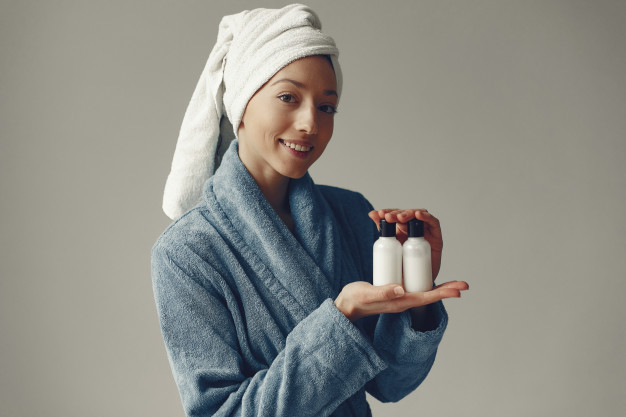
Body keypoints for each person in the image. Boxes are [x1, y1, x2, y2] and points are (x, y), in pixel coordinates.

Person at [151, 4, 468, 416]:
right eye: (288, 97)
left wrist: (416, 290)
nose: (309, 123)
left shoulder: (353, 214)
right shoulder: (186, 253)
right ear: (243, 100)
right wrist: (340, 317)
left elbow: (391, 383)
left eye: (326, 106)